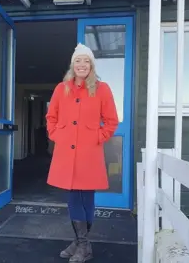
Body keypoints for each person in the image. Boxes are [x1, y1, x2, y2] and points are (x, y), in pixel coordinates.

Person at [45, 43, 119, 262]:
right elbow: (51, 117)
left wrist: (98, 137)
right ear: (72, 64)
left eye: (86, 61)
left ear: (92, 65)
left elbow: (112, 120)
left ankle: (82, 244)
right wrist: (57, 135)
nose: (82, 65)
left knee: (86, 196)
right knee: (73, 196)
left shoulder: (102, 88)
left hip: (89, 153)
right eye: (78, 60)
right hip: (66, 152)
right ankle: (82, 244)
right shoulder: (62, 88)